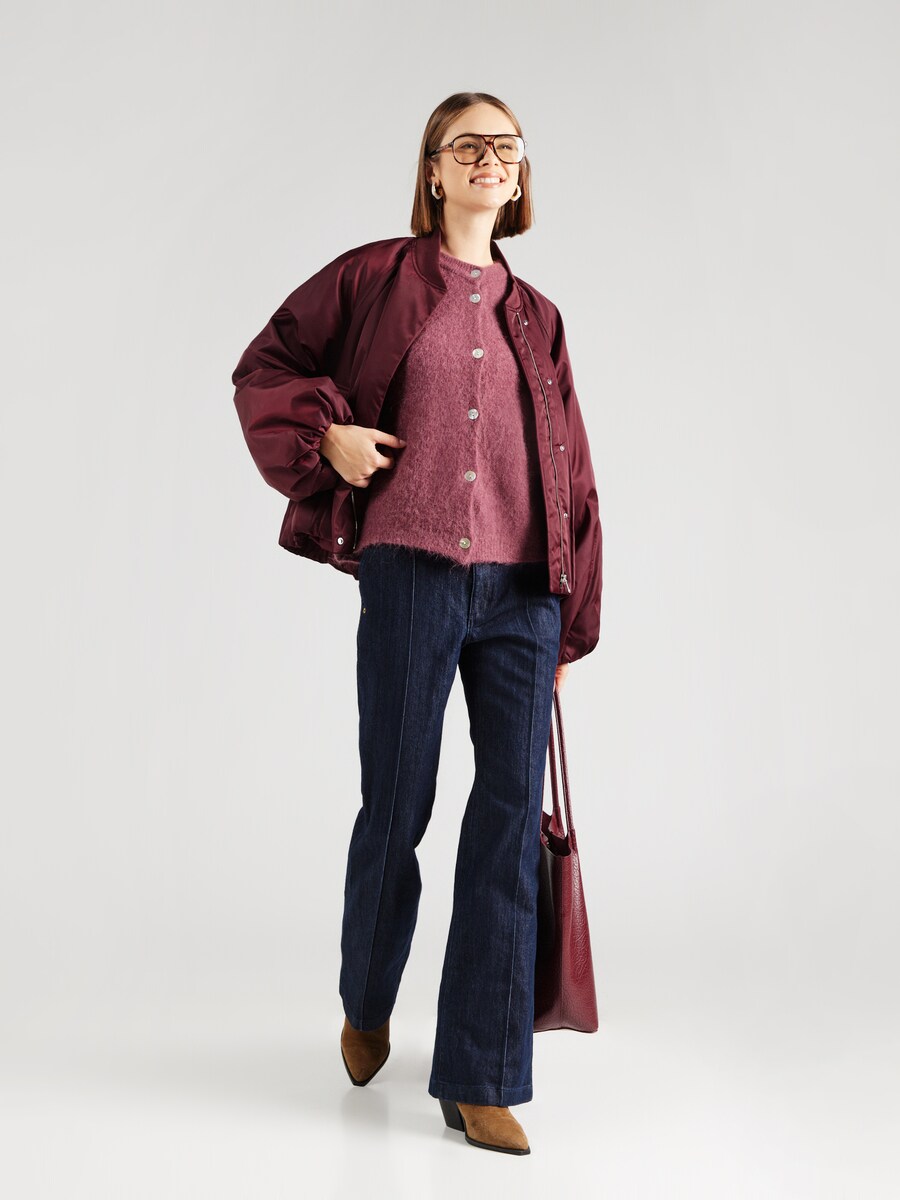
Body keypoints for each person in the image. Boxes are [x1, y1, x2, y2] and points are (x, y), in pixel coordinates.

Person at [232, 91, 603, 1156]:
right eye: (468, 145)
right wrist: (329, 439)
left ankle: (481, 1075)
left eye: (507, 147)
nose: (491, 159)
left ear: (521, 174)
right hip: (411, 575)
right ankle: (366, 996)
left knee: (506, 826)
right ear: (433, 170)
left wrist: (571, 620)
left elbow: (573, 469)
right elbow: (265, 367)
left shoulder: (540, 318)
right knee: (397, 802)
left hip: (524, 595)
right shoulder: (374, 279)